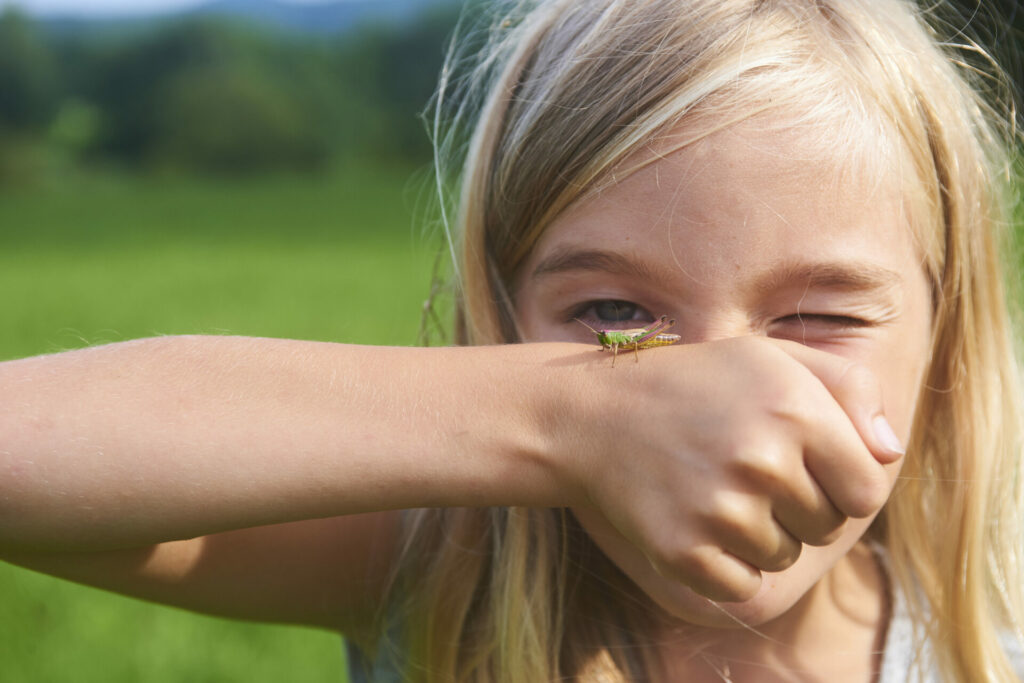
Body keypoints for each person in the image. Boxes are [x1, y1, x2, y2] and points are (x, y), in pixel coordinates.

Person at [1, 0, 1021, 680]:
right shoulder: (451, 573)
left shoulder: (995, 625)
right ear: (502, 313)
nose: (723, 391)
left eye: (818, 317)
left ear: (949, 339)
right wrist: (561, 413)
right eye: (615, 316)